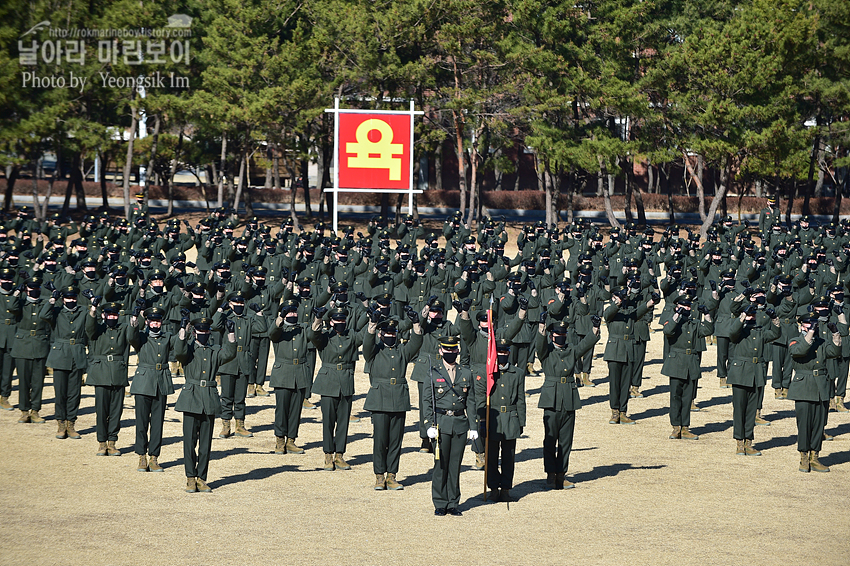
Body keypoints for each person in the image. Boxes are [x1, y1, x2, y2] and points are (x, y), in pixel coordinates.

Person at [174, 316, 236, 492]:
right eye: (200, 330)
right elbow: (178, 351)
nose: (204, 333)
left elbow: (230, 354)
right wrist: (182, 331)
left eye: (206, 331)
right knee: (189, 442)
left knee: (206, 443)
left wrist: (231, 334)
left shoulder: (214, 350)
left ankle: (202, 478)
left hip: (208, 397)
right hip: (191, 398)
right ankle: (190, 477)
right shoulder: (189, 349)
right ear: (195, 332)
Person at [536, 316, 600, 489]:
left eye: (563, 333)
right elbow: (539, 346)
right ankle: (550, 474)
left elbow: (585, 345)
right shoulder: (547, 351)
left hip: (569, 399)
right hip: (551, 399)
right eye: (558, 333)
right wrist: (542, 326)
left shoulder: (571, 350)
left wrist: (595, 328)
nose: (561, 336)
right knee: (550, 440)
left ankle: (561, 475)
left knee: (566, 441)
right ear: (551, 335)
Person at [362, 312, 423, 490]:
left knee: (396, 440)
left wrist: (416, 323)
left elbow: (416, 343)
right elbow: (367, 343)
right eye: (386, 333)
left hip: (398, 399)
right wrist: (372, 324)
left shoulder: (402, 351)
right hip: (379, 399)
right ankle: (379, 476)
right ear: (381, 334)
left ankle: (392, 475)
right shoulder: (374, 351)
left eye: (393, 333)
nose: (390, 336)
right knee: (380, 440)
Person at [422, 336, 477, 516]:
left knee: (455, 465)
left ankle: (453, 502)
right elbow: (427, 401)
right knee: (441, 464)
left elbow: (471, 402)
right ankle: (440, 502)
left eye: (453, 350)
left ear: (458, 351)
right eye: (447, 350)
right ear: (440, 351)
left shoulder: (466, 373)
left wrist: (473, 426)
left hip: (460, 424)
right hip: (441, 424)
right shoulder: (433, 372)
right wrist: (429, 424)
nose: (450, 353)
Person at [308, 307, 363, 471]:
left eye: (342, 320)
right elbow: (312, 336)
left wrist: (372, 321)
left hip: (345, 381)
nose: (340, 323)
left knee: (343, 421)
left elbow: (364, 336)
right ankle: (328, 455)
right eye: (337, 320)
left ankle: (339, 455)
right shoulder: (325, 337)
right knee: (328, 421)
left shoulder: (350, 335)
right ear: (331, 322)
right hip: (328, 381)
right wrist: (317, 319)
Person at [789, 315, 841, 473]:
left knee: (819, 425)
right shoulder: (795, 340)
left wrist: (836, 334)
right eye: (808, 323)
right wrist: (810, 331)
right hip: (804, 386)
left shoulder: (821, 342)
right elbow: (801, 350)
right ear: (802, 325)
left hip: (821, 387)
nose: (812, 326)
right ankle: (804, 457)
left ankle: (815, 456)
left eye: (814, 324)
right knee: (804, 424)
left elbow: (835, 351)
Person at [727, 306, 781, 456]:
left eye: (753, 315)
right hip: (740, 374)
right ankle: (739, 442)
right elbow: (732, 333)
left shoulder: (760, 331)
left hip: (756, 374)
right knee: (739, 410)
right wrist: (742, 316)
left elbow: (776, 334)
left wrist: (774, 318)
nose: (751, 317)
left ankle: (748, 442)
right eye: (749, 315)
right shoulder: (739, 330)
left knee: (751, 411)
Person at [129, 307, 178, 472]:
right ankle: (141, 456)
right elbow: (131, 336)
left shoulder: (167, 337)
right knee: (141, 422)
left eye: (158, 320)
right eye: (152, 320)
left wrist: (185, 328)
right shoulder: (141, 337)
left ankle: (154, 457)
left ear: (161, 322)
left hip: (161, 382)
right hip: (143, 382)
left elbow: (180, 345)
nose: (155, 323)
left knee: (157, 423)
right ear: (147, 321)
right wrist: (135, 318)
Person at [212, 294, 267, 439]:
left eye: (242, 303)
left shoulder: (248, 319)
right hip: (229, 361)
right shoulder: (226, 318)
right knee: (226, 396)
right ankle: (226, 425)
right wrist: (220, 311)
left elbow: (262, 328)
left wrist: (259, 313)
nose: (239, 305)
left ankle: (240, 425)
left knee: (240, 397)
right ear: (230, 304)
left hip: (244, 361)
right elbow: (214, 325)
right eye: (236, 303)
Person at [477, 338, 525, 502]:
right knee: (491, 457)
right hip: (493, 419)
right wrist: (482, 420)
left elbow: (520, 399)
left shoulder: (517, 373)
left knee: (508, 457)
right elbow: (481, 398)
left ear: (509, 353)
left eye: (505, 352)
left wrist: (521, 422)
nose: (502, 355)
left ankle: (505, 488)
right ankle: (493, 488)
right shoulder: (488, 372)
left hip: (511, 419)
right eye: (499, 352)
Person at [660, 297, 714, 440]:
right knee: (675, 396)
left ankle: (685, 428)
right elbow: (668, 330)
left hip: (691, 362)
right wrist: (677, 314)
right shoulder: (672, 320)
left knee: (687, 397)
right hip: (676, 362)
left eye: (688, 306)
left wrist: (707, 314)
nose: (686, 308)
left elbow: (708, 330)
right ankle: (676, 427)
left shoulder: (694, 324)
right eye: (683, 306)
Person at [86, 301, 134, 456]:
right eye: (109, 314)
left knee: (116, 410)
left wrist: (135, 317)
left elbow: (133, 334)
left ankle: (112, 442)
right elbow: (89, 327)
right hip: (101, 374)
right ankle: (102, 442)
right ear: (103, 315)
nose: (112, 317)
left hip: (118, 374)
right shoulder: (98, 329)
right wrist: (93, 309)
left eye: (115, 314)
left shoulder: (123, 328)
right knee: (101, 410)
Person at [40, 285, 87, 440]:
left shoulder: (82, 311)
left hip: (77, 354)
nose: (71, 300)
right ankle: (60, 423)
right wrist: (52, 299)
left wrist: (94, 302)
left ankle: (71, 423)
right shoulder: (57, 311)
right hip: (60, 355)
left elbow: (96, 319)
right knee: (60, 392)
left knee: (74, 393)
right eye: (68, 297)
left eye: (73, 297)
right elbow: (43, 314)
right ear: (63, 299)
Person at [268, 299, 312, 454]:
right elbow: (272, 334)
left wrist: (319, 320)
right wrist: (280, 318)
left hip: (300, 373)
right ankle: (280, 440)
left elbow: (313, 333)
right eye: (289, 312)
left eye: (294, 311)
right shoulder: (279, 329)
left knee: (295, 410)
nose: (293, 314)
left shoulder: (302, 328)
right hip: (283, 373)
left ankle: (291, 440)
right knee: (282, 409)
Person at [12, 278, 51, 424]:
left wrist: (54, 295)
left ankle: (35, 411)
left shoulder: (44, 303)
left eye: (37, 288)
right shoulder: (21, 303)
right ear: (26, 290)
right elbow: (11, 308)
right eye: (31, 288)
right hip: (23, 347)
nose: (34, 291)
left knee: (37, 382)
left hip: (40, 346)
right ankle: (24, 411)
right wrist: (17, 292)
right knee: (24, 381)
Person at [0, 268, 18, 411]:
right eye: (4, 280)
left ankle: (4, 397)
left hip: (12, 335)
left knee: (8, 370)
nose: (7, 282)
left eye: (9, 280)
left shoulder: (16, 295)